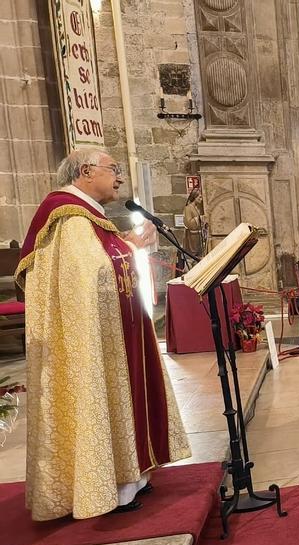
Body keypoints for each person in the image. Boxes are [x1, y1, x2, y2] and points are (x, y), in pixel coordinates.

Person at [18, 148, 190, 519]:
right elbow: (90, 275)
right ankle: (109, 485)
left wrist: (127, 244)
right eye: (113, 169)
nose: (120, 177)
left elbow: (100, 264)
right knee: (102, 392)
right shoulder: (67, 215)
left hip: (117, 327)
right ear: (86, 171)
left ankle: (131, 474)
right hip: (92, 335)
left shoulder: (90, 218)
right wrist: (129, 248)